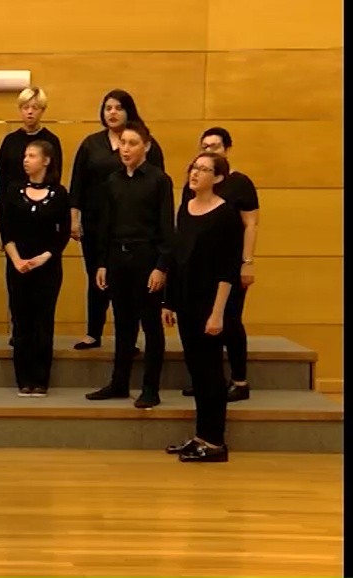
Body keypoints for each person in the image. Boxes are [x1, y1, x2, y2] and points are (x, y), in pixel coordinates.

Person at [88, 121, 174, 409]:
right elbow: (105, 226)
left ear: (146, 147)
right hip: (117, 257)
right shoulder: (111, 181)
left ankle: (151, 388)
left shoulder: (159, 181)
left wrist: (161, 266)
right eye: (122, 143)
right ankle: (119, 382)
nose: (125, 149)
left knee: (150, 325)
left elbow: (166, 228)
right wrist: (101, 263)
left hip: (146, 258)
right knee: (123, 325)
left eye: (132, 143)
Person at [69, 89, 165, 350]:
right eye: (107, 107)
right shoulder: (91, 143)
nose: (112, 112)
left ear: (128, 111)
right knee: (98, 276)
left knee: (131, 288)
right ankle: (93, 332)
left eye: (118, 108)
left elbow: (157, 185)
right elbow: (77, 182)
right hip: (96, 222)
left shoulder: (147, 144)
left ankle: (128, 339)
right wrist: (74, 217)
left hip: (135, 228)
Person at [162, 152, 240, 463]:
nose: (195, 173)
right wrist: (169, 301)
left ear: (218, 178)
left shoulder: (226, 215)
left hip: (211, 304)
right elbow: (178, 258)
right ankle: (200, 437)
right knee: (196, 372)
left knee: (210, 374)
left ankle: (215, 442)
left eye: (204, 169)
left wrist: (218, 313)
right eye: (194, 167)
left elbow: (227, 269)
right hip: (186, 301)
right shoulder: (186, 208)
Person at [180, 127, 259, 402]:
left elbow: (251, 224)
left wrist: (247, 263)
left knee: (230, 318)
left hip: (230, 263)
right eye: (204, 146)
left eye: (214, 146)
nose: (208, 150)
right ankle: (206, 380)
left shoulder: (240, 183)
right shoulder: (193, 184)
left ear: (226, 148)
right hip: (199, 269)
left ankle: (239, 379)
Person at [0, 87, 63, 345]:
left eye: (35, 107)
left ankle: (38, 335)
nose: (30, 111)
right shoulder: (10, 141)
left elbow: (56, 177)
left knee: (42, 286)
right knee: (16, 277)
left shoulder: (51, 141)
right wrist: (10, 209)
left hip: (43, 220)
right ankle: (18, 329)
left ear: (42, 110)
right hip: (15, 218)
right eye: (25, 107)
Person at [0, 141, 70, 397]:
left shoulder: (59, 193)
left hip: (47, 267)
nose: (26, 160)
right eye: (25, 155)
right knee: (21, 322)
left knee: (43, 322)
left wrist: (44, 257)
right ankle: (23, 379)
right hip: (17, 265)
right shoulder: (13, 191)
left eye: (32, 155)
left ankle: (41, 380)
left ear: (46, 160)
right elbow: (5, 228)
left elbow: (62, 233)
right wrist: (17, 260)